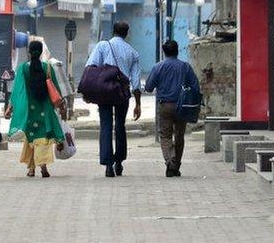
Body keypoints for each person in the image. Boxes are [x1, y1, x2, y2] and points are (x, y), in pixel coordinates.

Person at [84, 21, 141, 177]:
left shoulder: (103, 46)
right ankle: (119, 162)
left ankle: (108, 165)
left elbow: (91, 66)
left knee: (106, 125)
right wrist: (138, 104)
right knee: (120, 126)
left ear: (113, 31)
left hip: (104, 91)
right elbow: (136, 82)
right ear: (126, 33)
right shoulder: (133, 53)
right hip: (122, 92)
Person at [5, 40, 65, 178]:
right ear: (41, 52)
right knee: (42, 137)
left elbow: (17, 92)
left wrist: (10, 108)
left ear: (29, 52)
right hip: (44, 108)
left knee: (31, 136)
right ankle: (43, 166)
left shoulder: (22, 69)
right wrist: (61, 107)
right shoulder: (47, 68)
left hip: (29, 111)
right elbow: (55, 90)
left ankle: (31, 169)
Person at [145, 40, 199, 177]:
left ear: (164, 52)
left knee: (165, 136)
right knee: (180, 135)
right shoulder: (185, 67)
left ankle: (170, 162)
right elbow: (195, 86)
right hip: (182, 106)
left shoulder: (158, 67)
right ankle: (176, 164)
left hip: (164, 106)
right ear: (177, 50)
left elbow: (149, 87)